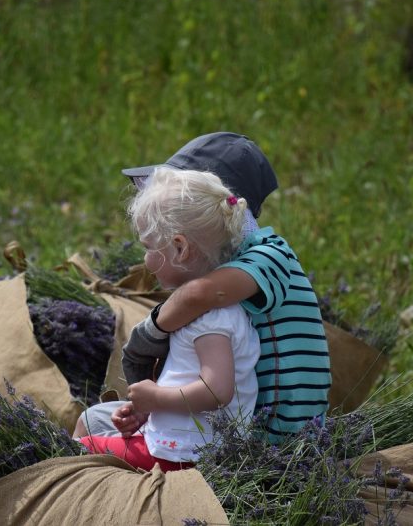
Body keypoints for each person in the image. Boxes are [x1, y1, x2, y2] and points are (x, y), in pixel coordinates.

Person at [74, 132, 331, 442]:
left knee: (90, 426)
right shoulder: (226, 265)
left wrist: (150, 332)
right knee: (93, 419)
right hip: (230, 422)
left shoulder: (270, 252)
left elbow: (200, 295)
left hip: (270, 436)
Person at [76, 167, 261, 471]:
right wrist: (146, 411)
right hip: (184, 444)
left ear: (179, 248)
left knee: (75, 452)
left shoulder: (211, 317)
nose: (145, 259)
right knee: (89, 429)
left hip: (180, 454)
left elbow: (217, 390)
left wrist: (157, 398)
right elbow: (189, 382)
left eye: (149, 247)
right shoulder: (209, 310)